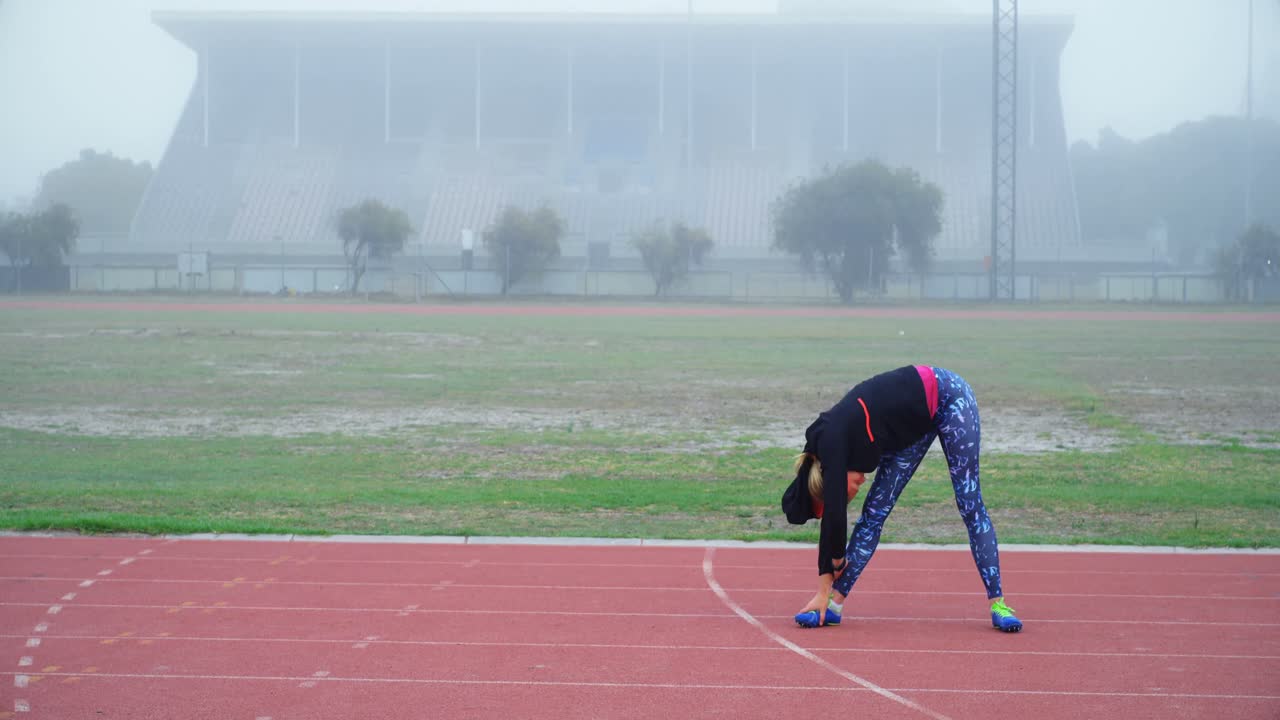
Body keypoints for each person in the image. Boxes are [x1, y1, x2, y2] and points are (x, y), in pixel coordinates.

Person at [780, 365, 1022, 632]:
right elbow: (818, 501)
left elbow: (835, 516)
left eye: (844, 492)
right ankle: (834, 605)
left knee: (969, 504)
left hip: (949, 397)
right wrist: (831, 570)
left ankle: (999, 604)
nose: (857, 487)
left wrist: (829, 574)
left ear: (832, 476)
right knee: (873, 514)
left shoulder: (833, 445)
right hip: (908, 432)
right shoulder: (823, 450)